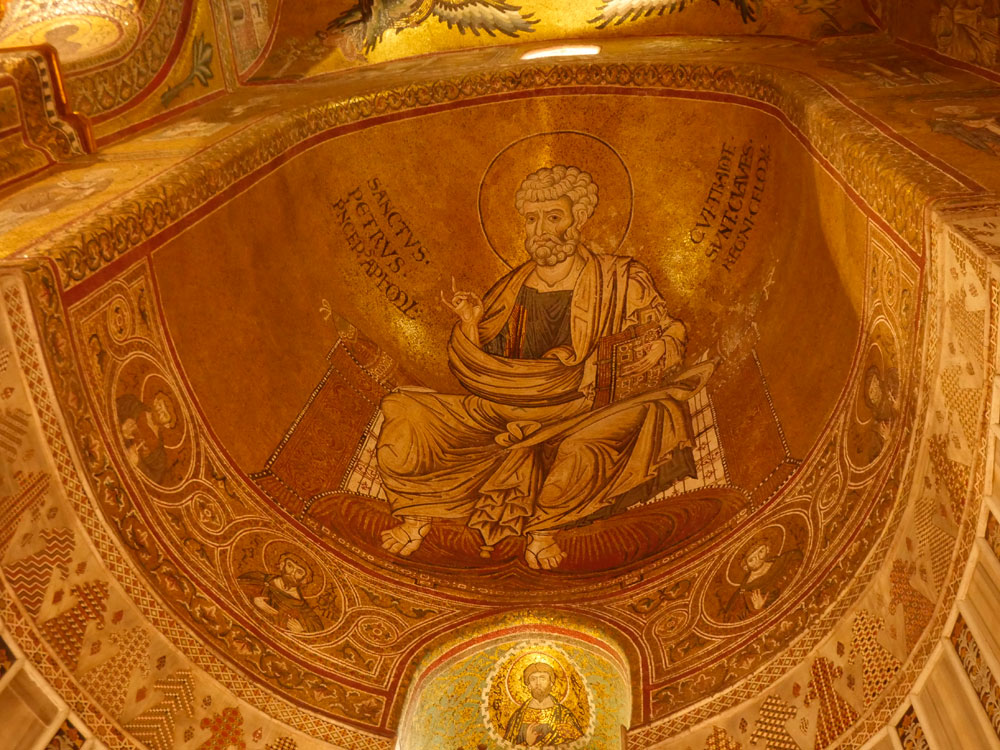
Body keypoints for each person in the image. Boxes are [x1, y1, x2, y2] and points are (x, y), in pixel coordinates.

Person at [376, 165, 713, 569]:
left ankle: (543, 530)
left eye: (554, 216)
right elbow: (487, 366)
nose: (541, 230)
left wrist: (662, 347)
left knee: (629, 424)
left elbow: (667, 330)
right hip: (506, 405)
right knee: (405, 412)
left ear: (578, 218)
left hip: (581, 408)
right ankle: (417, 518)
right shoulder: (512, 286)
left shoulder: (620, 277)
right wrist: (471, 323)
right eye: (532, 219)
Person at [238, 553, 325, 633]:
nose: (292, 573)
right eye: (290, 566)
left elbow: (317, 634)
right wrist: (253, 600)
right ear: (282, 565)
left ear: (304, 580)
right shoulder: (258, 578)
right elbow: (235, 589)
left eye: (299, 572)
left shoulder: (305, 612)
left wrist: (301, 630)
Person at [503, 662, 583, 747]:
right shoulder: (518, 717)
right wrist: (528, 742)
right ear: (529, 685)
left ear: (551, 683)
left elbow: (579, 743)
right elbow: (507, 745)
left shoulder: (564, 715)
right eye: (533, 679)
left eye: (542, 678)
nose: (538, 683)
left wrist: (571, 733)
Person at [720, 540, 802, 620]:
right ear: (745, 566)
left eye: (761, 551)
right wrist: (757, 609)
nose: (758, 560)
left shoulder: (784, 560)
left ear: (767, 549)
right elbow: (733, 621)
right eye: (751, 559)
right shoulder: (744, 593)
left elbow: (799, 561)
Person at [116, 391, 178, 484]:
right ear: (155, 401)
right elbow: (109, 408)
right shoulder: (131, 403)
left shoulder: (159, 455)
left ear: (167, 425)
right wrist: (121, 425)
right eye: (160, 406)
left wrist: (138, 463)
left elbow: (155, 479)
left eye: (165, 415)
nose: (160, 412)